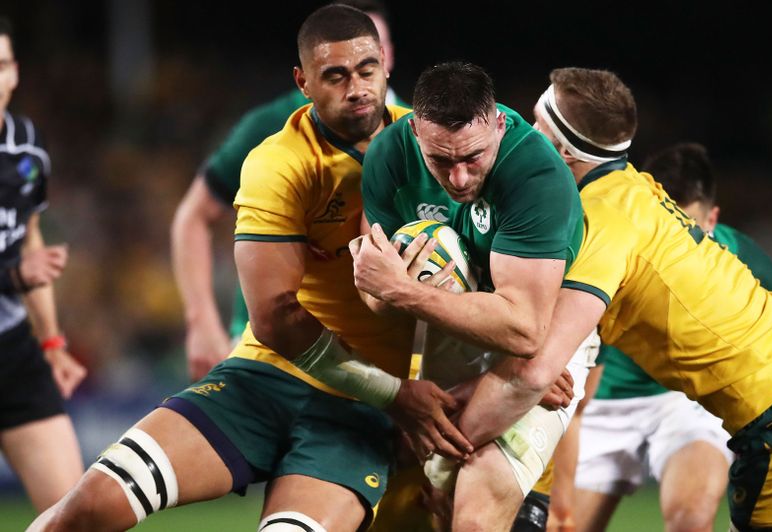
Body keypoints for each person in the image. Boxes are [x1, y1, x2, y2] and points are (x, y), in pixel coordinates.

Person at [31, 6, 464, 532]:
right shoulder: (276, 161)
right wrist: (396, 395)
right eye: (336, 75)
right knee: (87, 507)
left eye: (367, 70)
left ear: (387, 68)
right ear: (303, 82)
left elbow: (510, 261)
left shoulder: (441, 152)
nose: (357, 88)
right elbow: (277, 320)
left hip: (355, 414)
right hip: (264, 379)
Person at [453, 67, 772, 531]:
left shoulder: (599, 221)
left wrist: (451, 442)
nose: (527, 138)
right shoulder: (637, 188)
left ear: (562, 149)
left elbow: (535, 370)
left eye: (538, 126)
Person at [350, 61, 595, 530]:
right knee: (441, 502)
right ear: (415, 131)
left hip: (548, 331)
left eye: (474, 157)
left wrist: (403, 289)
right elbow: (376, 298)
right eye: (441, 160)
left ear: (499, 124)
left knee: (477, 512)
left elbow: (524, 332)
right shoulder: (388, 156)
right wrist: (388, 290)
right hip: (449, 328)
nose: (459, 178)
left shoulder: (536, 174)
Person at [551, 143, 772, 532]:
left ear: (712, 219)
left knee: (691, 519)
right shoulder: (610, 243)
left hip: (688, 402)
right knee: (563, 527)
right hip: (604, 402)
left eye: (689, 226)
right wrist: (559, 505)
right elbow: (577, 394)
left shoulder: (741, 258)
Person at [171, 0, 403, 381]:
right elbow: (193, 216)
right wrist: (201, 322)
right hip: (268, 340)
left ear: (384, 55)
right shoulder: (269, 126)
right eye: (335, 64)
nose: (354, 77)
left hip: (372, 352)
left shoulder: (420, 133)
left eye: (368, 56)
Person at [0, 17, 86, 513]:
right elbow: (22, 269)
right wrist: (14, 276)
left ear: (15, 73)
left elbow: (29, 238)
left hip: (13, 353)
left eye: (3, 65)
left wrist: (52, 342)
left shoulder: (28, 145)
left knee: (74, 516)